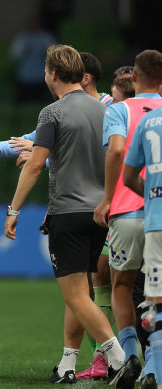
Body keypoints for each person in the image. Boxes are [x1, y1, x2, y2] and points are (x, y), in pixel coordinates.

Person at [3, 44, 130, 386]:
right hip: (103, 213)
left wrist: (13, 209)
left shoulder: (52, 113)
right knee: (83, 291)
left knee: (75, 294)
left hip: (68, 211)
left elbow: (35, 164)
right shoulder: (108, 111)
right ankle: (67, 364)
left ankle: (120, 359)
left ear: (53, 74)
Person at [93, 49, 162, 385]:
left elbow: (117, 150)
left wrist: (107, 198)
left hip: (126, 211)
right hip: (158, 212)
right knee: (155, 293)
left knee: (121, 286)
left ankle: (130, 353)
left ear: (133, 77)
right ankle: (153, 363)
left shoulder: (119, 109)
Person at [123, 105, 162, 389]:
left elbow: (127, 175)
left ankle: (155, 371)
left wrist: (152, 198)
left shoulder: (149, 120)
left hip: (155, 219)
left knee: (154, 298)